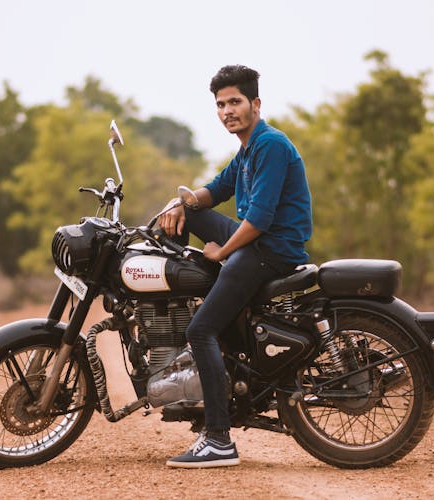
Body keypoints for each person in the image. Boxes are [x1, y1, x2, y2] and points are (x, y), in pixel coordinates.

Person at [158, 65, 313, 468]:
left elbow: (259, 220)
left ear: (255, 104)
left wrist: (221, 253)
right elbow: (217, 189)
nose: (227, 110)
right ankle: (185, 296)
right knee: (186, 215)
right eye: (221, 104)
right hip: (258, 241)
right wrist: (180, 204)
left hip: (271, 248)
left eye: (235, 102)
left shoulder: (270, 145)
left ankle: (218, 439)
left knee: (202, 329)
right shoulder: (248, 148)